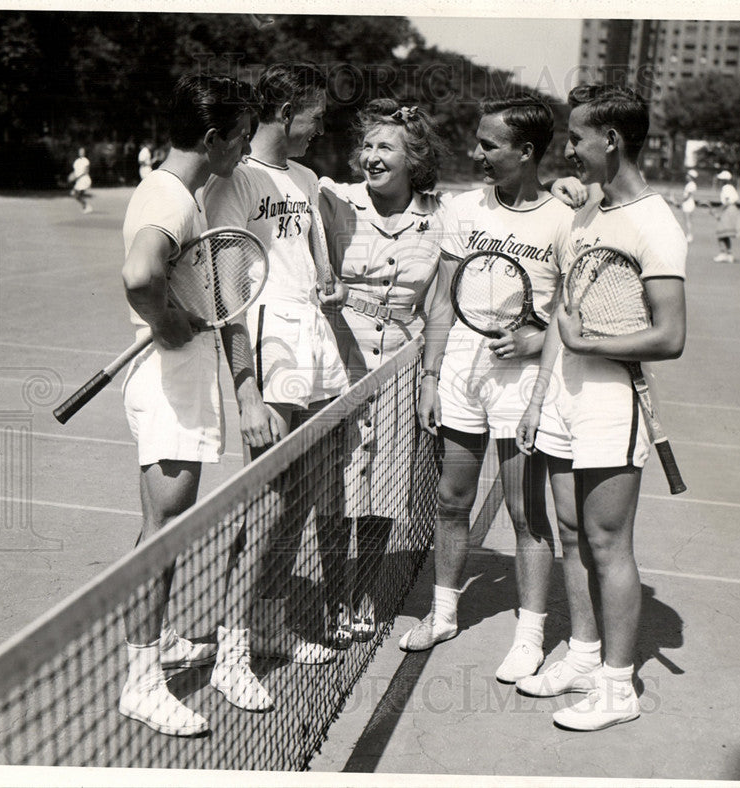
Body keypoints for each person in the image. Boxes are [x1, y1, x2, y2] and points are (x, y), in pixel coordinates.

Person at [516, 84, 687, 731]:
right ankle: (585, 655)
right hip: (562, 394)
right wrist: (539, 396)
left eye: (577, 137)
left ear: (610, 140)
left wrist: (597, 343)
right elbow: (566, 306)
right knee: (569, 531)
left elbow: (670, 334)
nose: (569, 148)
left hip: (614, 399)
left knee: (608, 541)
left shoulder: (655, 223)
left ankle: (619, 688)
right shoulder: (590, 211)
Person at [402, 95, 576, 686]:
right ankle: (444, 612)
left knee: (527, 513)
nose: (477, 153)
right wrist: (429, 376)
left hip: (522, 381)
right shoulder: (461, 208)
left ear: (526, 152)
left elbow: (575, 313)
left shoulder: (563, 218)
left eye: (489, 144)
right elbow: (442, 299)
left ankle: (530, 637)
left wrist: (536, 342)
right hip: (457, 373)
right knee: (452, 501)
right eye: (478, 141)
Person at [116, 74, 264, 736]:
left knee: (159, 527)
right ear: (213, 139)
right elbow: (140, 274)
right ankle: (142, 681)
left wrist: (167, 315)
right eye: (239, 139)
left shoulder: (174, 191)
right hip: (171, 381)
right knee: (165, 533)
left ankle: (155, 641)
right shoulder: (172, 198)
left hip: (175, 379)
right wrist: (167, 317)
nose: (244, 150)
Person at [202, 62, 350, 666]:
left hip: (312, 336)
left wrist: (330, 283)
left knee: (301, 496)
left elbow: (314, 262)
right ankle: (233, 648)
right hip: (268, 341)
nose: (321, 127)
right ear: (286, 112)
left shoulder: (308, 179)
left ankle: (266, 623)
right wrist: (246, 392)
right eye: (315, 115)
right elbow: (224, 297)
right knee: (266, 497)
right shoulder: (234, 181)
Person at [315, 99, 452, 648]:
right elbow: (277, 185)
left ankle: (363, 595)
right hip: (337, 363)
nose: (371, 157)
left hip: (400, 366)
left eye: (384, 147)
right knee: (335, 489)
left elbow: (439, 311)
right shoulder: (332, 200)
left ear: (414, 157)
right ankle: (331, 598)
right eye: (367, 146)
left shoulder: (440, 218)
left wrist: (430, 379)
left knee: (383, 495)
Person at [711, 170, 740, 263]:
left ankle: (723, 254)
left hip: (729, 210)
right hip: (732, 210)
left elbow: (727, 202)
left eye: (721, 179)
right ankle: (729, 254)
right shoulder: (731, 187)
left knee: (720, 233)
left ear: (725, 180)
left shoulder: (726, 188)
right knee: (725, 234)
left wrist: (717, 210)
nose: (720, 181)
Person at [68, 148, 93, 214]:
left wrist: (77, 177)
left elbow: (86, 171)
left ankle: (86, 206)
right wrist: (72, 176)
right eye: (80, 151)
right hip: (79, 181)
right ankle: (86, 206)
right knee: (75, 194)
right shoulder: (76, 161)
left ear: (85, 153)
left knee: (75, 194)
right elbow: (75, 171)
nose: (81, 153)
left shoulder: (86, 161)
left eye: (83, 152)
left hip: (84, 180)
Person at [679, 169, 697, 242]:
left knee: (687, 220)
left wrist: (680, 202)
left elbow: (688, 196)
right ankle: (688, 235)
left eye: (688, 175)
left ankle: (689, 235)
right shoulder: (690, 184)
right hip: (688, 204)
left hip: (688, 204)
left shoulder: (691, 185)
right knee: (687, 220)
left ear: (691, 176)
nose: (686, 176)